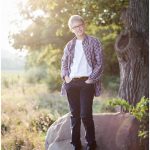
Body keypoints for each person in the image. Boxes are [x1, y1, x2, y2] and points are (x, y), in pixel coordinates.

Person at [60, 15, 103, 150]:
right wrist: (66, 78)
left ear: (84, 25)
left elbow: (100, 63)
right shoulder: (69, 46)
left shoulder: (94, 42)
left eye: (80, 25)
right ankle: (75, 144)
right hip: (72, 83)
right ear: (72, 29)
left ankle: (91, 144)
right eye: (75, 27)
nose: (78, 28)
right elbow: (64, 64)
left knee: (85, 114)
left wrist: (91, 80)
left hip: (87, 82)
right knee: (75, 115)